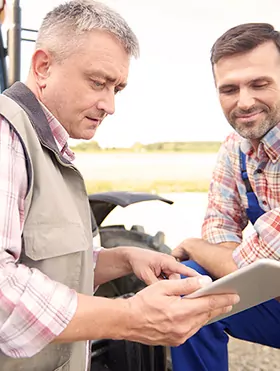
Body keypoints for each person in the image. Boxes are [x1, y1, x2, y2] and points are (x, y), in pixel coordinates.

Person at [0, 1, 239, 370]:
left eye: (117, 88)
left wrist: (122, 259)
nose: (110, 105)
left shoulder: (49, 146)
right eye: (98, 83)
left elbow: (46, 264)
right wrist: (129, 316)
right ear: (43, 66)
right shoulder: (6, 137)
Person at [170, 22, 280, 371]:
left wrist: (191, 243)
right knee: (188, 285)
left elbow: (258, 268)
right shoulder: (236, 148)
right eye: (229, 89)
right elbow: (221, 236)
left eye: (259, 84)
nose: (244, 101)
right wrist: (209, 254)